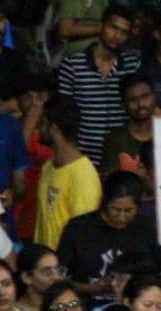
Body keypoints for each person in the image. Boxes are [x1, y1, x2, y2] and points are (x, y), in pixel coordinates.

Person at [56, 173, 161, 301]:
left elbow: (158, 272)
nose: (121, 217)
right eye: (115, 209)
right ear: (104, 202)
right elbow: (58, 278)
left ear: (138, 207)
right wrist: (90, 288)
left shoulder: (146, 228)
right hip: (85, 305)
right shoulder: (79, 228)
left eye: (129, 211)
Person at [56, 4, 140, 167]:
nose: (117, 36)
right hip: (82, 157)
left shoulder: (133, 64)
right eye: (113, 28)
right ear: (101, 26)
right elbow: (64, 114)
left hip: (121, 157)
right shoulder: (73, 64)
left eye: (123, 32)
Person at [33, 97, 102, 251]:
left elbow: (85, 234)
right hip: (45, 262)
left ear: (55, 129)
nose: (38, 130)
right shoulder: (48, 167)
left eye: (43, 124)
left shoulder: (83, 176)